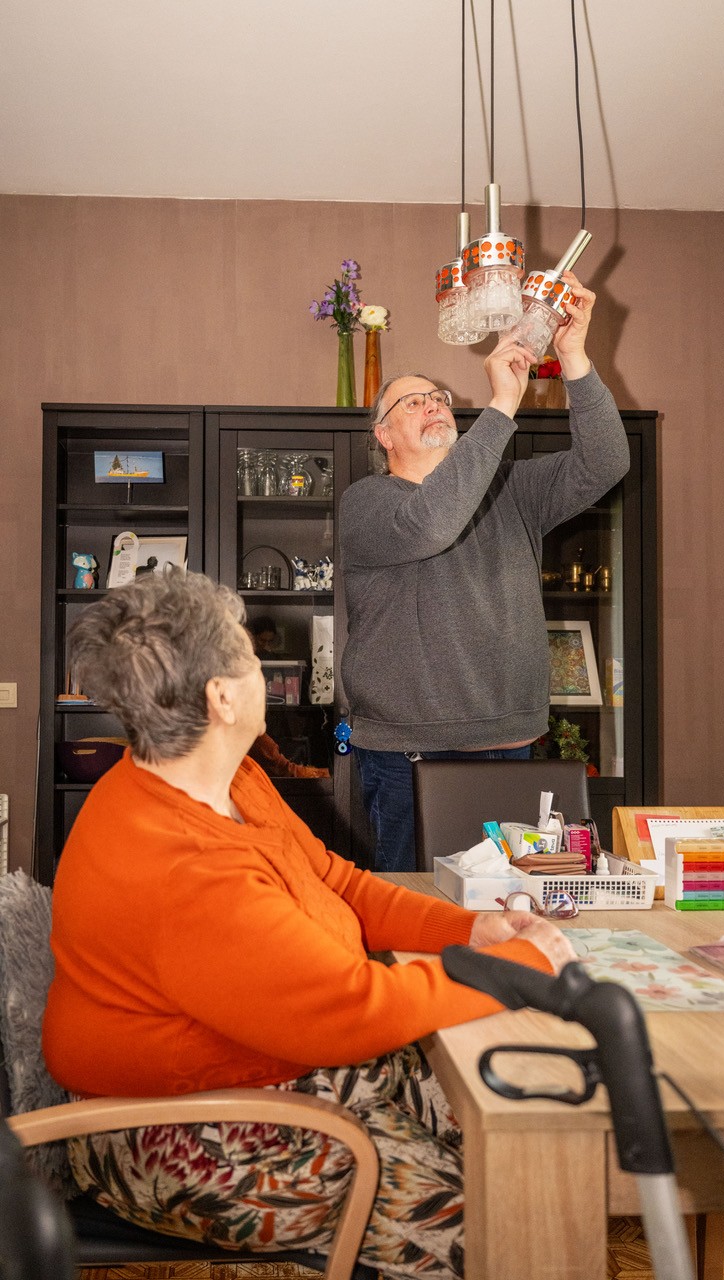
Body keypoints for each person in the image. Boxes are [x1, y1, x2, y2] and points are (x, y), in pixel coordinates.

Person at [42, 569, 575, 1280]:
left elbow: (336, 883)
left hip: (274, 1065)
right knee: (499, 1219)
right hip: (175, 1124)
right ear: (222, 697)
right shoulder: (182, 867)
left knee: (522, 1123)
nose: (262, 667)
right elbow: (349, 1010)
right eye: (249, 655)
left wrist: (467, 932)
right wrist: (526, 968)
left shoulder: (228, 778)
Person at [339, 270, 630, 872]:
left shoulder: (512, 489)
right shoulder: (367, 503)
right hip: (406, 754)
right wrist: (501, 405)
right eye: (412, 401)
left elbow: (606, 462)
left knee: (509, 909)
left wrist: (573, 355)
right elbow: (431, 523)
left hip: (510, 740)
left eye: (439, 397)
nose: (432, 404)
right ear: (383, 434)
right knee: (412, 910)